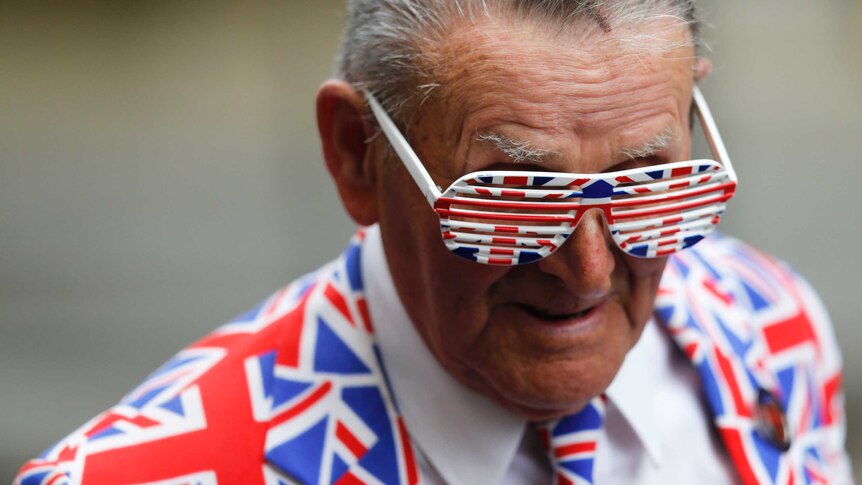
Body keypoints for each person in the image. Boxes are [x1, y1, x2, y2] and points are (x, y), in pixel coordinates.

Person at [15, 1, 852, 484]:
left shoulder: (770, 331)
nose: (590, 269)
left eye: (646, 180)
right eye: (513, 195)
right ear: (357, 153)